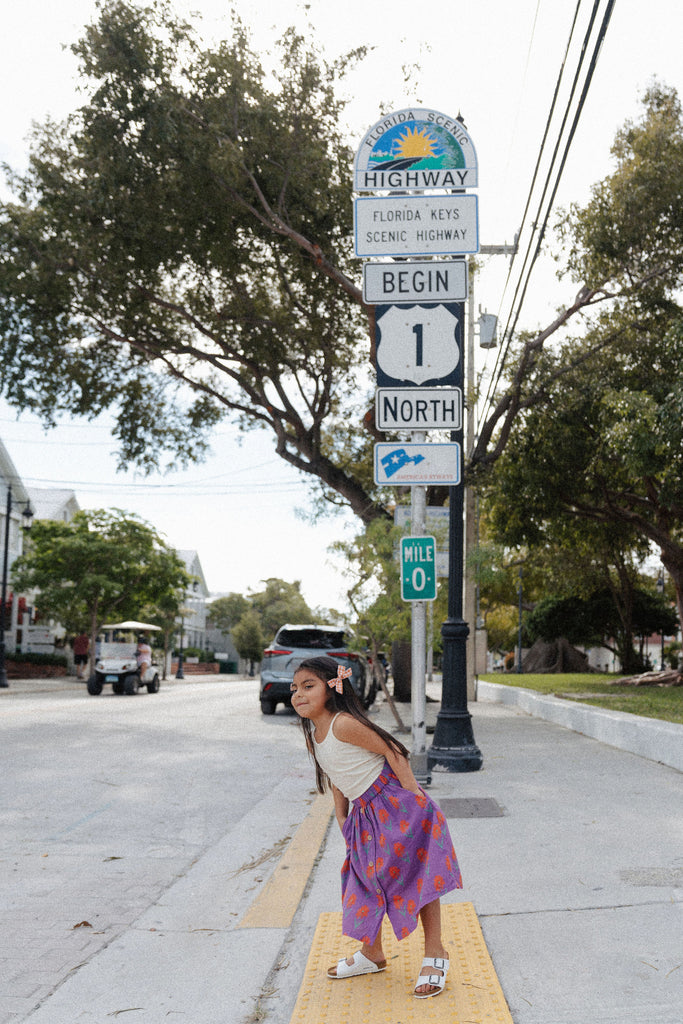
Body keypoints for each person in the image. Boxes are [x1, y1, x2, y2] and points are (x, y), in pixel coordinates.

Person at [290, 655, 463, 1000]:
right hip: (364, 815)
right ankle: (372, 952)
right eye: (294, 688)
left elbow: (393, 749)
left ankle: (435, 952)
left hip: (394, 803)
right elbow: (334, 774)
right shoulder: (314, 733)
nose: (298, 694)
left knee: (418, 876)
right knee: (363, 880)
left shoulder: (343, 724)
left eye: (308, 686)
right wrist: (341, 816)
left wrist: (414, 798)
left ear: (332, 687)